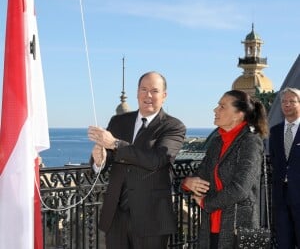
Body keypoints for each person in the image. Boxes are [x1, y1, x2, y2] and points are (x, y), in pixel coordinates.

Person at [88, 71, 186, 249]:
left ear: (164, 96)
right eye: (144, 89)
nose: (148, 95)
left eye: (154, 91)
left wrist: (115, 144)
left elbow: (156, 160)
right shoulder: (118, 121)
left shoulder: (173, 126)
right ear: (137, 92)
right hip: (115, 216)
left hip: (152, 218)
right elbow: (105, 160)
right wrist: (98, 160)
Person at [182, 90, 268, 249]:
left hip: (238, 228)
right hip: (212, 226)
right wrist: (188, 182)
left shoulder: (250, 142)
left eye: (222, 106)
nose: (215, 110)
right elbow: (200, 174)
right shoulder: (217, 142)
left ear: (238, 114)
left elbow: (240, 188)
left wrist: (206, 202)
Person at [269, 87, 300, 248]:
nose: (287, 104)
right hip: (281, 196)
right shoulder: (274, 131)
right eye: (284, 101)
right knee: (284, 242)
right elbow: (274, 160)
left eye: (292, 101)